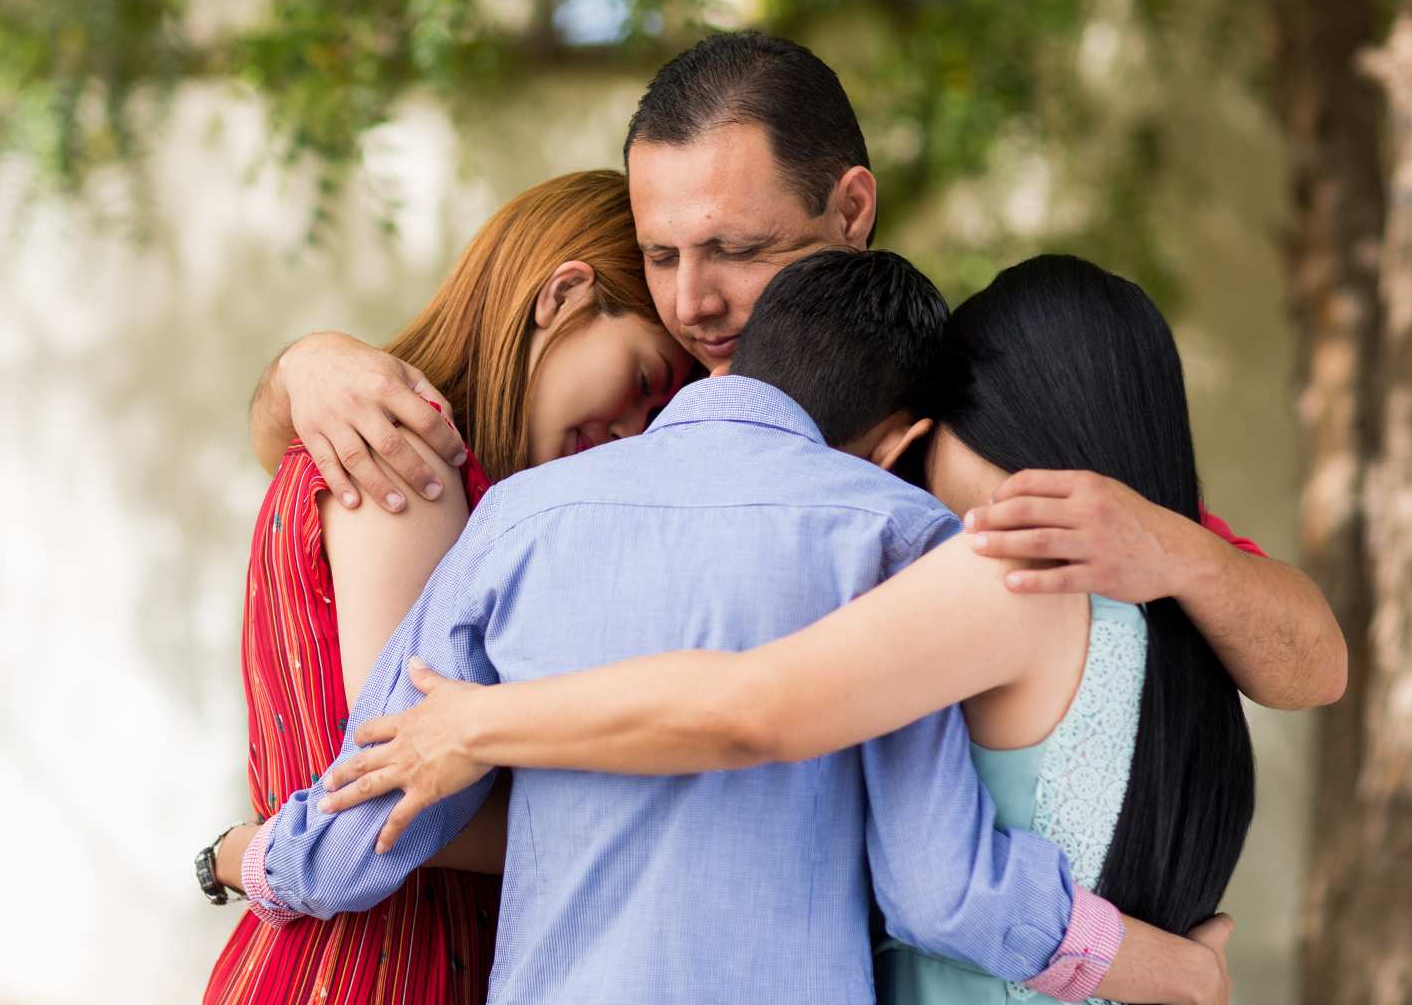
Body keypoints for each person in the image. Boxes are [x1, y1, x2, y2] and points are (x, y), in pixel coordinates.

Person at [238, 249, 1234, 1005]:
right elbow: (940, 891)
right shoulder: (902, 541)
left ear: (729, 365)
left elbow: (359, 825)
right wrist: (1160, 962)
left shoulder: (517, 515)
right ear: (904, 440)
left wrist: (233, 857)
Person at [245, 30, 1346, 712]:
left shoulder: (961, 405)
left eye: (737, 250)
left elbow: (1312, 665)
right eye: (662, 254)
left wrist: (1169, 550)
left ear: (851, 209)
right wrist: (306, 368)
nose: (692, 302)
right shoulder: (645, 409)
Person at [197, 170, 690, 1005]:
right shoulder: (410, 464)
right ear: (564, 295)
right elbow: (397, 795)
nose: (631, 433)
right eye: (643, 383)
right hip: (388, 966)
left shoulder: (397, 447)